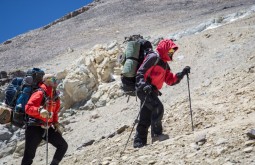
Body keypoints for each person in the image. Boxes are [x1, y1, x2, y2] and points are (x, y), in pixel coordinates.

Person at [133, 39, 190, 148]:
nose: (171, 53)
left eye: (173, 51)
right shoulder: (153, 57)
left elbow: (170, 80)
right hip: (144, 89)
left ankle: (139, 143)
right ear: (165, 49)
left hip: (151, 90)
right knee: (158, 107)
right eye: (170, 51)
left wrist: (182, 74)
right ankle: (157, 135)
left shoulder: (164, 63)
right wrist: (144, 85)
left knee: (145, 116)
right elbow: (140, 73)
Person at [21, 74, 68, 165]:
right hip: (34, 127)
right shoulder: (39, 93)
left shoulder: (55, 95)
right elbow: (28, 108)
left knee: (63, 145)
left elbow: (55, 112)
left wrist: (55, 123)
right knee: (28, 156)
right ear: (47, 80)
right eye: (54, 79)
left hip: (48, 127)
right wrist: (39, 110)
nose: (56, 81)